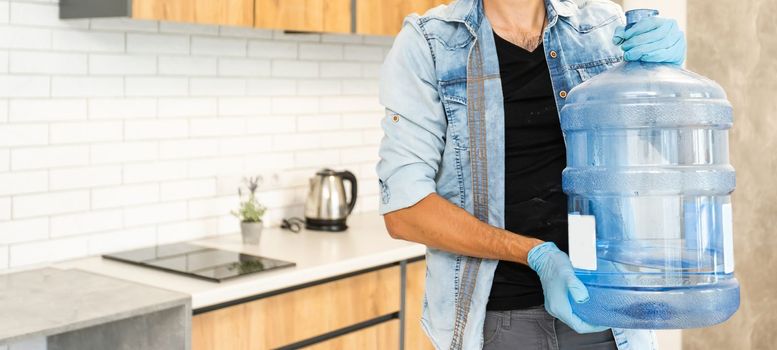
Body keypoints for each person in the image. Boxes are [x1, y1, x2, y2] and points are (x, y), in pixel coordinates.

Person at [376, 0, 685, 349]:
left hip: (609, 314)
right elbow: (404, 211)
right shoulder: (430, 44)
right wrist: (535, 254)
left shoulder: (605, 30)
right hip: (497, 324)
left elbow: (660, 156)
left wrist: (665, 79)